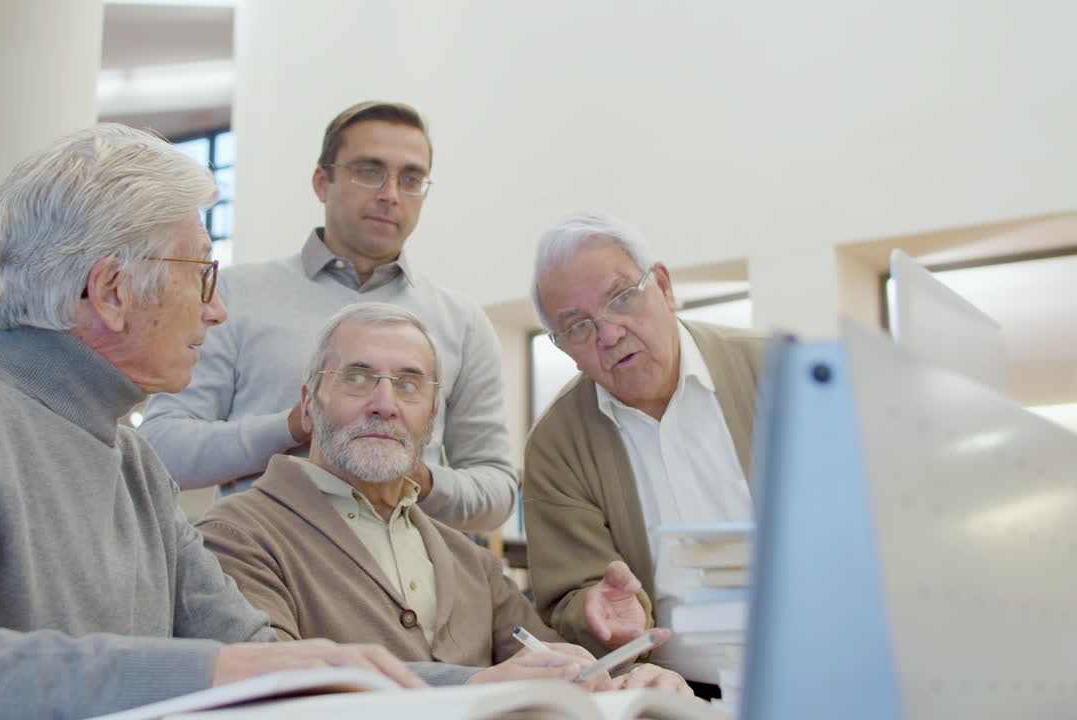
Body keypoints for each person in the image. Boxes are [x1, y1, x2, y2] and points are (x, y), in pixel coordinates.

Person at [0, 124, 484, 720]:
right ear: (114, 291)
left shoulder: (133, 463)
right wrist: (208, 673)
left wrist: (482, 690)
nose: (215, 311)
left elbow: (276, 664)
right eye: (202, 276)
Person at [197, 302, 692, 695]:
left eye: (409, 385)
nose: (385, 405)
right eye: (358, 378)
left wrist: (618, 663)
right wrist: (470, 683)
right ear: (309, 404)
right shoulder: (235, 538)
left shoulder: (469, 561)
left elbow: (554, 670)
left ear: (431, 417)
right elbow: (267, 691)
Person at [139, 101, 515, 532]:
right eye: (369, 171)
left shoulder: (462, 321)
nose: (390, 193)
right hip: (259, 568)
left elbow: (497, 493)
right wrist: (291, 426)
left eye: (411, 178)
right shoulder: (232, 297)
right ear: (322, 182)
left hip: (407, 587)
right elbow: (161, 450)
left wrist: (412, 476)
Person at [524, 211, 766, 694]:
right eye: (578, 327)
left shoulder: (773, 370)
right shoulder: (556, 447)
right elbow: (569, 596)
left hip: (821, 666)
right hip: (672, 694)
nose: (609, 334)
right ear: (563, 347)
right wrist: (599, 610)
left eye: (621, 298)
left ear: (663, 285)